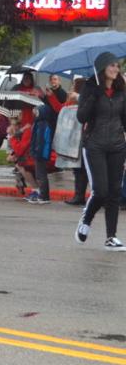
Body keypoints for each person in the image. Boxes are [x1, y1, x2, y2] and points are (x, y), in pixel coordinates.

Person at [75, 51, 126, 250]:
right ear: (103, 68)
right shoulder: (90, 88)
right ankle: (86, 218)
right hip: (95, 145)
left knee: (114, 192)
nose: (116, 69)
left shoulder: (121, 90)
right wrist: (93, 97)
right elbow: (81, 117)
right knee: (101, 191)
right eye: (112, 65)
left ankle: (111, 237)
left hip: (117, 146)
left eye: (118, 66)